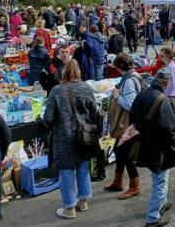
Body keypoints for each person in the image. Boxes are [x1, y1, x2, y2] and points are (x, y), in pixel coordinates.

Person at [129, 67, 175, 227]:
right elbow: (169, 128)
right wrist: (173, 142)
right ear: (166, 82)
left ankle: (162, 204)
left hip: (143, 143)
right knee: (160, 181)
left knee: (158, 177)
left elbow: (131, 116)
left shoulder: (142, 94)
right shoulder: (163, 99)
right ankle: (153, 218)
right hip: (158, 147)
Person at [43, 60, 98, 219]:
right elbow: (94, 113)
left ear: (64, 72)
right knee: (83, 168)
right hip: (84, 136)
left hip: (63, 137)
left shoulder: (57, 90)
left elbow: (48, 119)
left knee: (66, 172)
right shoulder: (86, 88)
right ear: (79, 71)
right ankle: (83, 202)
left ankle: (69, 208)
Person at [105, 53, 143, 199]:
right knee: (119, 150)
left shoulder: (129, 81)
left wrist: (116, 95)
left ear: (119, 67)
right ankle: (118, 181)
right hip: (128, 123)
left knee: (125, 153)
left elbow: (130, 104)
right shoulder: (133, 75)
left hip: (128, 123)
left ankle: (135, 186)